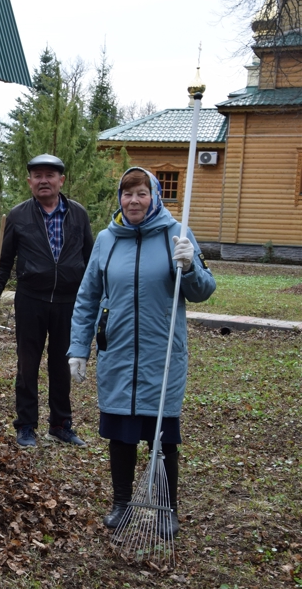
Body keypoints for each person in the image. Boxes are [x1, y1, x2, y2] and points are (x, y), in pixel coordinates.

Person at [67, 167, 216, 537]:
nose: (134, 200)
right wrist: (78, 348)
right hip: (117, 352)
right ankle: (121, 503)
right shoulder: (107, 239)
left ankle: (167, 509)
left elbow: (203, 290)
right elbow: (87, 297)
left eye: (142, 193)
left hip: (160, 354)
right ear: (119, 198)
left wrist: (190, 266)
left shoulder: (176, 234)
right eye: (127, 193)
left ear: (155, 198)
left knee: (162, 434)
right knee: (121, 432)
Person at [0, 154, 94, 449]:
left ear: (61, 180)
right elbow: (3, 262)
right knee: (27, 364)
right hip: (31, 299)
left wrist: (94, 300)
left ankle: (60, 425)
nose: (43, 180)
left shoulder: (78, 214)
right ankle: (26, 426)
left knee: (62, 365)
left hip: (68, 302)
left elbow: (91, 260)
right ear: (30, 181)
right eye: (37, 175)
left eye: (50, 175)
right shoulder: (17, 216)